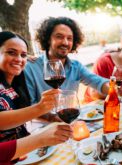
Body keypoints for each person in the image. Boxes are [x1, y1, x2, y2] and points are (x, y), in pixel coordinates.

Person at [0, 31, 71, 164]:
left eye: (23, 55)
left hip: (20, 155)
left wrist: (49, 116)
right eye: (11, 52)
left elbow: (19, 114)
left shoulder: (14, 85)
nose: (19, 59)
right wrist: (40, 108)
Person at [24, 17, 109, 122]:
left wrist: (115, 89)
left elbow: (98, 82)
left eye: (69, 38)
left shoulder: (76, 66)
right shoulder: (31, 67)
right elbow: (28, 107)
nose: (65, 42)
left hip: (70, 120)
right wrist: (52, 118)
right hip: (41, 126)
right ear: (48, 39)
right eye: (59, 37)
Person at [84, 28, 122, 103]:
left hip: (121, 104)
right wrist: (118, 92)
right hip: (96, 106)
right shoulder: (104, 61)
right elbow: (94, 93)